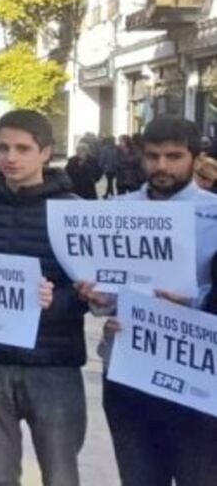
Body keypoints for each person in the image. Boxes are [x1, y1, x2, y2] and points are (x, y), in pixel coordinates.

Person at [77, 116, 217, 486]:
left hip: (196, 376)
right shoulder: (117, 211)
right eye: (153, 156)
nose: (162, 167)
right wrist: (99, 297)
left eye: (174, 156)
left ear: (195, 157)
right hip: (127, 368)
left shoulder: (214, 215)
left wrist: (195, 303)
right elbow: (105, 292)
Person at [0, 110, 85, 486]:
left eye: (22, 148)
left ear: (46, 153)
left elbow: (90, 292)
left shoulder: (75, 212)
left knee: (60, 473)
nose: (10, 157)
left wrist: (54, 303)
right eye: (3, 147)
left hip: (53, 363)